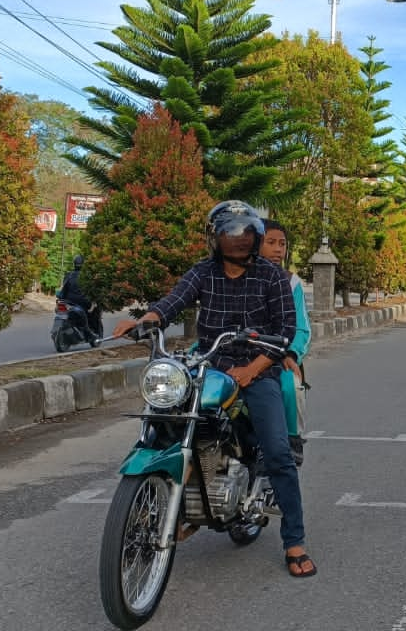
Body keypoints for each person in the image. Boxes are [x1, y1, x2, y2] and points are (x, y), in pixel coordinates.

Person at [112, 200, 315, 579]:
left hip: (258, 369)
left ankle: (295, 540)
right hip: (208, 364)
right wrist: (147, 320)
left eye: (246, 234)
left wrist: (251, 369)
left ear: (255, 239)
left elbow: (286, 331)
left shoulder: (271, 278)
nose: (238, 241)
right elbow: (173, 301)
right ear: (215, 238)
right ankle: (161, 506)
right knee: (164, 421)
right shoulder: (203, 272)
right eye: (230, 234)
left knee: (278, 452)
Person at [257, 219, 313, 466]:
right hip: (236, 354)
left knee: (290, 385)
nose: (278, 249)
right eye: (270, 243)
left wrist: (291, 354)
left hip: (277, 355)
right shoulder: (235, 277)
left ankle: (292, 441)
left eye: (282, 244)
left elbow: (302, 328)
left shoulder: (291, 282)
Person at [57, 255, 102, 338]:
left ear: (74, 264)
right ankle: (90, 331)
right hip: (83, 302)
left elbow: (64, 288)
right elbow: (91, 289)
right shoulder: (87, 276)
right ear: (83, 264)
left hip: (69, 302)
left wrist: (60, 297)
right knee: (94, 310)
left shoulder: (68, 275)